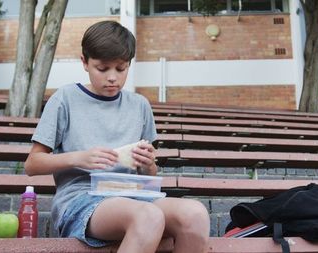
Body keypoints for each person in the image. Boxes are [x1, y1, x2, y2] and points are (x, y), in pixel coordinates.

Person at [24, 20, 210, 253]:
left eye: (121, 69)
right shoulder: (65, 99)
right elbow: (32, 164)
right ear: (84, 62)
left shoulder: (139, 105)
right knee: (148, 217)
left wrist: (148, 163)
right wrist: (79, 158)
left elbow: (149, 175)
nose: (112, 77)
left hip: (134, 195)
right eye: (102, 69)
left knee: (195, 214)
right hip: (82, 200)